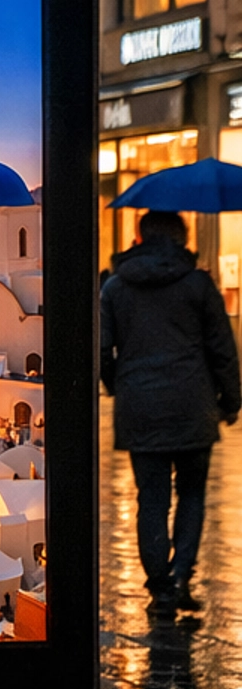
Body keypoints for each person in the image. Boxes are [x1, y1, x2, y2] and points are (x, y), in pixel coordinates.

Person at [101, 206, 240, 616]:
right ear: (180, 238)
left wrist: (119, 385)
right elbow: (222, 348)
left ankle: (159, 589)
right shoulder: (198, 284)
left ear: (139, 238)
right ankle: (181, 576)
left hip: (140, 407)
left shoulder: (115, 288)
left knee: (152, 499)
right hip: (192, 405)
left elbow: (103, 352)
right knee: (192, 495)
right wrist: (230, 400)